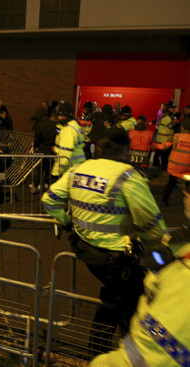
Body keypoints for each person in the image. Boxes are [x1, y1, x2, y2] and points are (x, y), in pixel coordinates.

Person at [42, 128, 172, 355]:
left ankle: (99, 351)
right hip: (117, 258)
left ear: (98, 148)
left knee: (116, 299)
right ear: (125, 149)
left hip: (86, 250)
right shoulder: (128, 176)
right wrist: (162, 252)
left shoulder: (77, 170)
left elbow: (49, 199)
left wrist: (66, 222)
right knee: (127, 304)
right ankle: (121, 354)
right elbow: (151, 225)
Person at [89, 190, 190, 367]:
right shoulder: (181, 250)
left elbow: (148, 356)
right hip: (116, 257)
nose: (185, 192)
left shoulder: (185, 277)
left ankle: (95, 348)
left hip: (100, 253)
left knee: (115, 302)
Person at [156, 117, 190, 207]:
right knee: (188, 185)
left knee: (171, 183)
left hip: (175, 167)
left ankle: (164, 201)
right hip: (188, 168)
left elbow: (164, 146)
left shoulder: (176, 137)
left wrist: (156, 146)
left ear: (182, 128)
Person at [50, 101, 86, 182]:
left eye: (59, 115)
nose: (58, 118)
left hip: (68, 170)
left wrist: (56, 172)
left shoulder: (68, 130)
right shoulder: (74, 125)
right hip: (76, 168)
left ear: (64, 116)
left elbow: (65, 154)